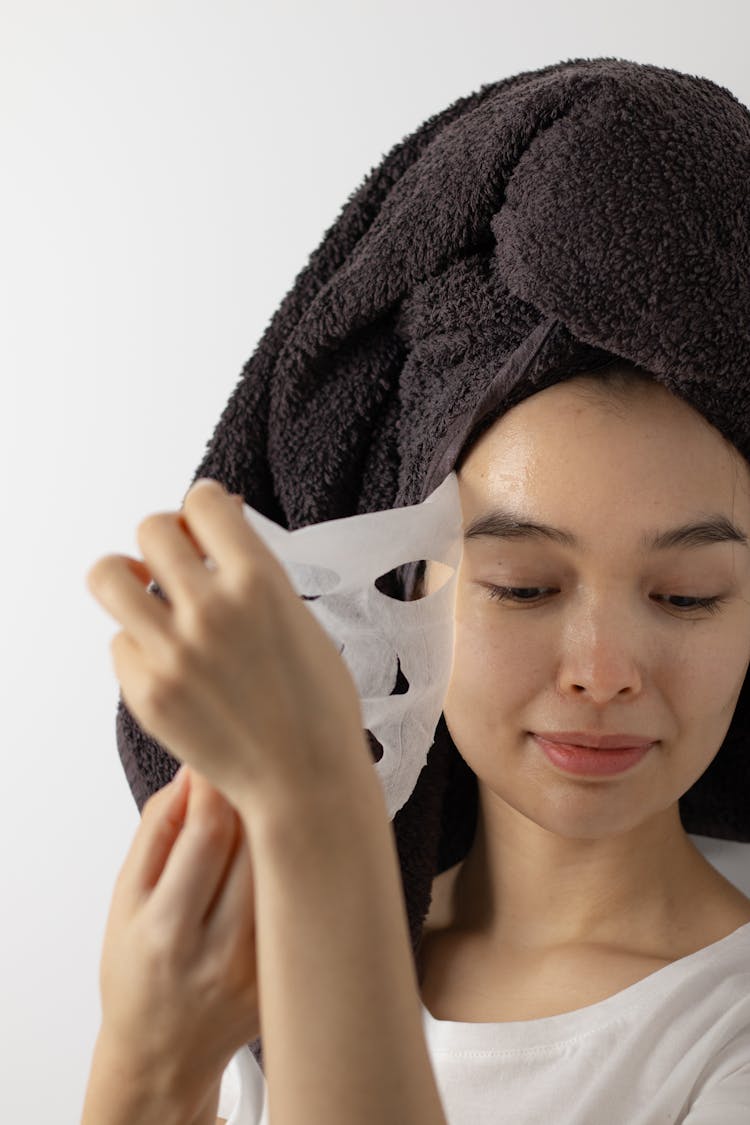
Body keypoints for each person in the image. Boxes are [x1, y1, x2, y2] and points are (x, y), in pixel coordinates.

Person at [81, 56, 750, 1124]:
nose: (605, 673)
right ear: (410, 579)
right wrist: (147, 1066)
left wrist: (318, 816)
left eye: (686, 597)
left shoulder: (726, 1036)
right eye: (525, 586)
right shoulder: (270, 966)